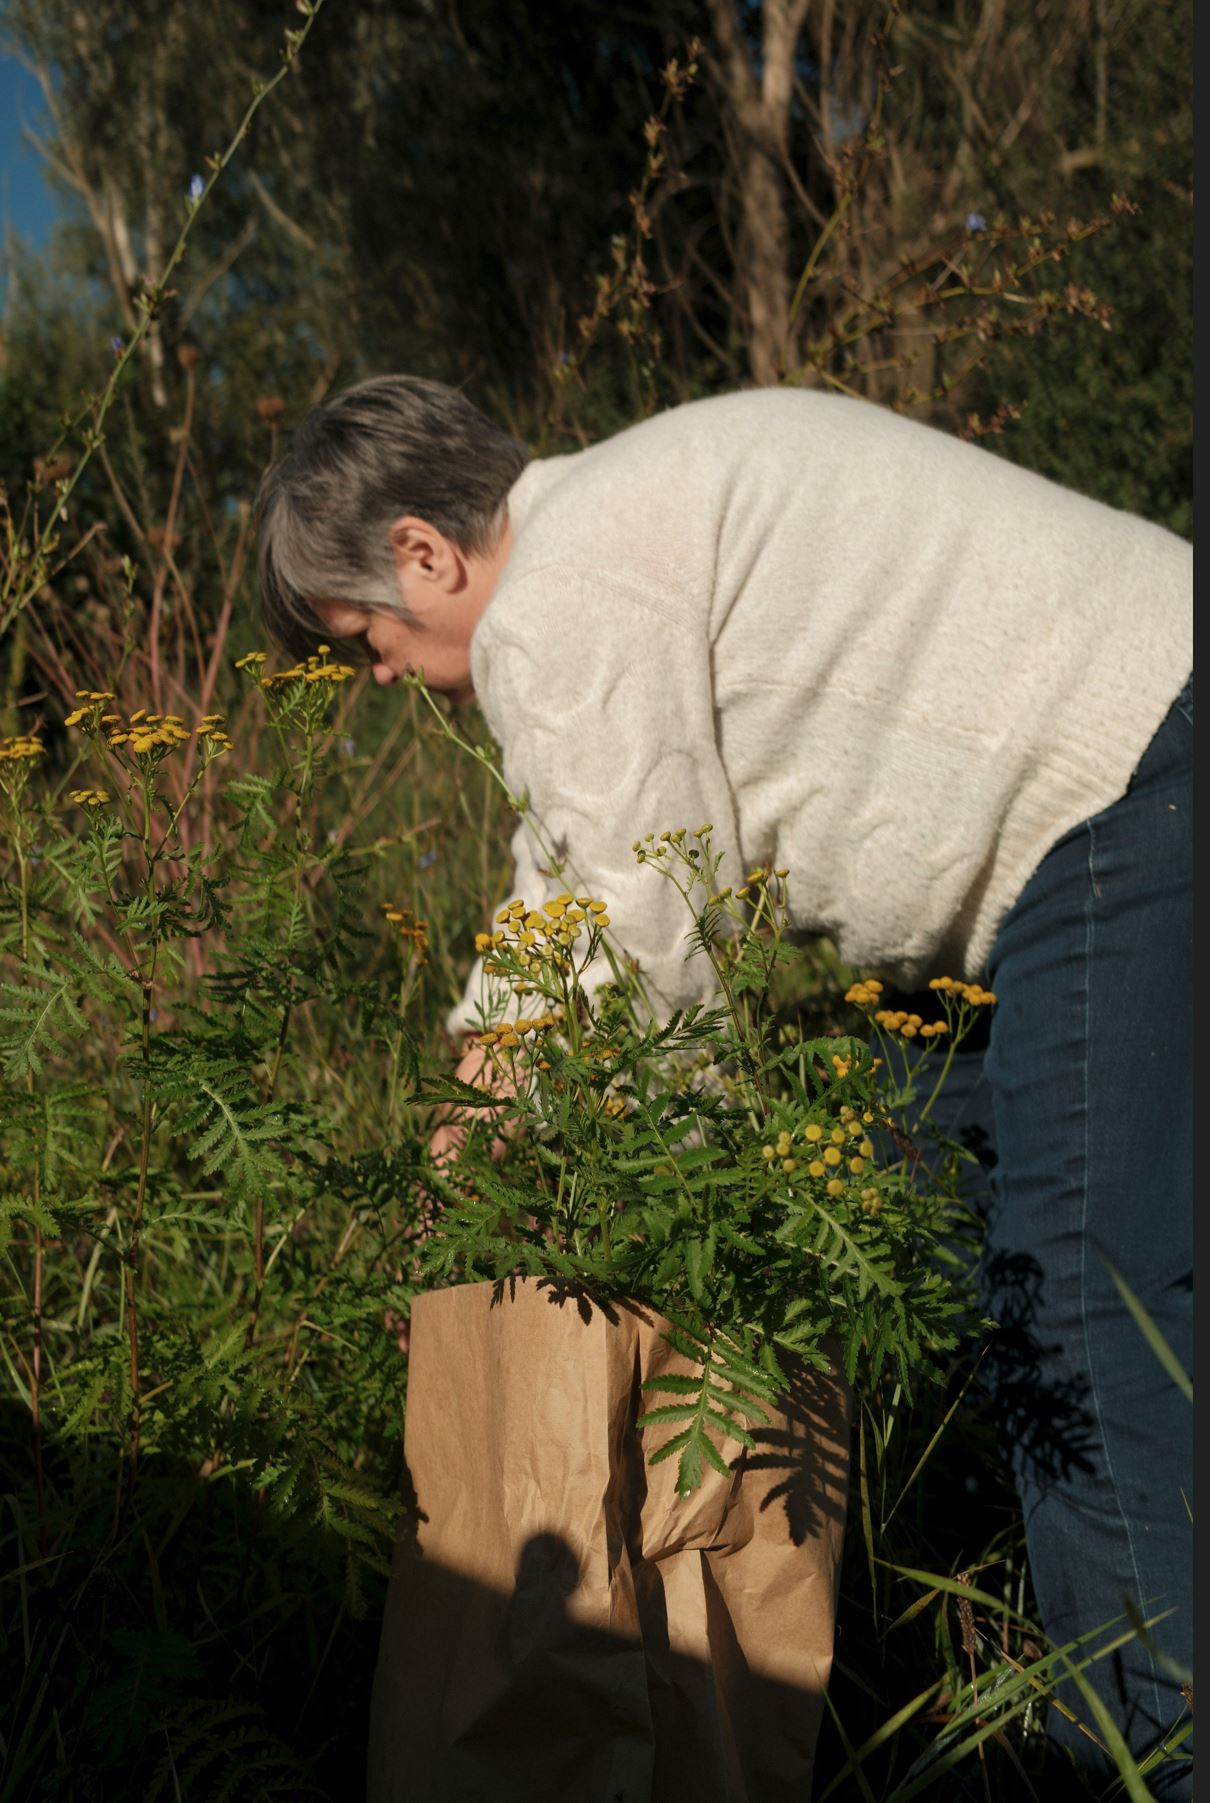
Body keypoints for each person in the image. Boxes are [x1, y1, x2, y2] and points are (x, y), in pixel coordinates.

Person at [256, 374, 1192, 1789]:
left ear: (425, 554)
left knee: (1076, 1291)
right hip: (1112, 788)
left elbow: (650, 941)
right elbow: (565, 871)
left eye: (365, 639)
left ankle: (1148, 1759)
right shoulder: (600, 539)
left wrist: (584, 1201)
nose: (380, 678)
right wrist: (480, 1081)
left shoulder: (560, 597)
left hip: (1127, 782)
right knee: (882, 1178)